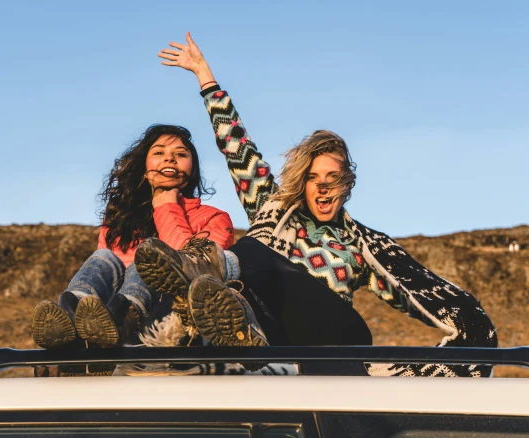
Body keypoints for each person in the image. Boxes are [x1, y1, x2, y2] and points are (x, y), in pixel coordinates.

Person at [136, 34, 498, 377]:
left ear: (348, 184)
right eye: (313, 178)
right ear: (302, 183)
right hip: (276, 337)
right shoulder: (273, 206)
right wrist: (205, 76)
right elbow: (236, 146)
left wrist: (409, 375)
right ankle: (227, 333)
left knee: (250, 251)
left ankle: (207, 265)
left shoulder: (362, 245)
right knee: (253, 253)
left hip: (332, 337)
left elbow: (441, 298)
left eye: (333, 179)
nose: (322, 188)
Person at [32, 124, 236, 349]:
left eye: (180, 154)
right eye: (159, 153)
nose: (169, 159)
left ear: (192, 169)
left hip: (167, 319)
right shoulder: (119, 221)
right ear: (144, 166)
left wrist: (167, 207)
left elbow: (195, 269)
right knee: (102, 258)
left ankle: (126, 315)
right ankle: (71, 320)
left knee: (148, 255)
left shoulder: (215, 218)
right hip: (104, 317)